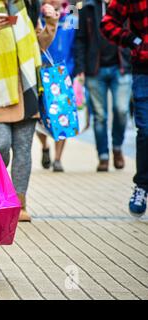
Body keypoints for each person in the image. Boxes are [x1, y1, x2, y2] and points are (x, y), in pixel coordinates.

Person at [0, 0, 59, 221]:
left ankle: (19, 204)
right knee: (0, 144)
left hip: (27, 91)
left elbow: (39, 45)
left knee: (24, 150)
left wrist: (51, 23)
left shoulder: (27, 6)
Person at [100, 0, 148, 217]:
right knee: (146, 130)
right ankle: (142, 186)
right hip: (143, 70)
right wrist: (135, 41)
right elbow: (107, 23)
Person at [75, 0, 132, 172]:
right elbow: (80, 40)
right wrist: (80, 69)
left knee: (121, 111)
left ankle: (117, 147)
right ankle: (103, 156)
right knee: (99, 117)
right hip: (95, 69)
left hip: (121, 67)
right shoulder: (88, 8)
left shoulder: (125, 6)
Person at [37, 0, 78, 172]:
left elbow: (78, 43)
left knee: (63, 115)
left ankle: (58, 159)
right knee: (40, 116)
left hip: (64, 72)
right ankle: (45, 146)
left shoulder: (72, 14)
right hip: (41, 71)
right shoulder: (37, 14)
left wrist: (75, 69)